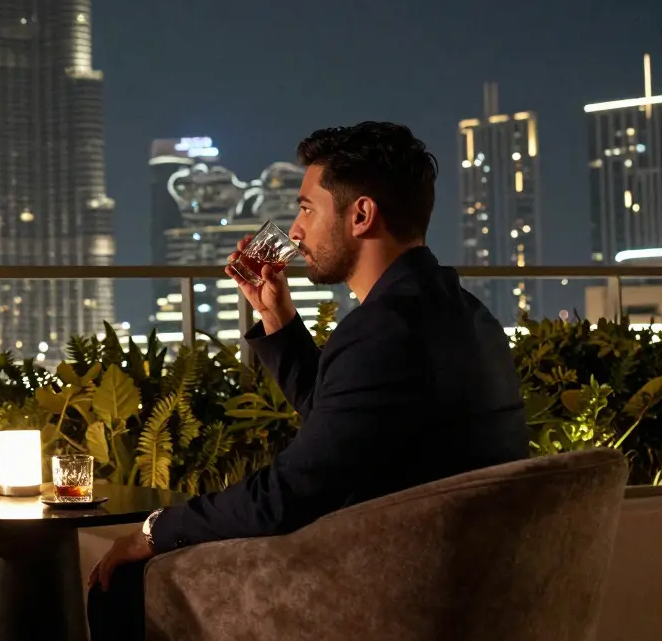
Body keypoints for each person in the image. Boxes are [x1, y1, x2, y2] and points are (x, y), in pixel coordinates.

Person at [86, 122, 530, 640]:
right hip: (469, 580)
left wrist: (155, 530)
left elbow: (287, 495)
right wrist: (278, 319)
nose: (295, 232)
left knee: (121, 585)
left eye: (306, 208)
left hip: (390, 593)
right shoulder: (464, 314)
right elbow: (338, 425)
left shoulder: (382, 330)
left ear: (361, 215)